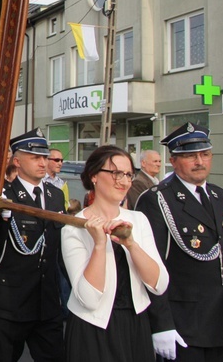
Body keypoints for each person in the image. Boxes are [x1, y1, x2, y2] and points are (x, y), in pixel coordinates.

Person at [136, 123, 223, 361]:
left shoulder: (221, 197)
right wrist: (160, 323)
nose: (199, 162)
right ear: (173, 161)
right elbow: (150, 267)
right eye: (190, 156)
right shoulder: (157, 200)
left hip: (222, 319)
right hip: (183, 324)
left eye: (205, 154)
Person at [62, 145, 169, 361]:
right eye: (116, 173)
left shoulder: (138, 220)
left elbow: (159, 284)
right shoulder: (73, 228)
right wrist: (99, 245)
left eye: (128, 174)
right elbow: (89, 299)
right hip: (92, 330)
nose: (124, 181)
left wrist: (131, 244)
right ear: (94, 176)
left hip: (136, 326)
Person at [0, 128, 64, 362]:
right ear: (17, 161)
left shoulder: (55, 195)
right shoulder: (3, 196)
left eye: (45, 157)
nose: (43, 162)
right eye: (35, 157)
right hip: (10, 303)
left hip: (46, 303)